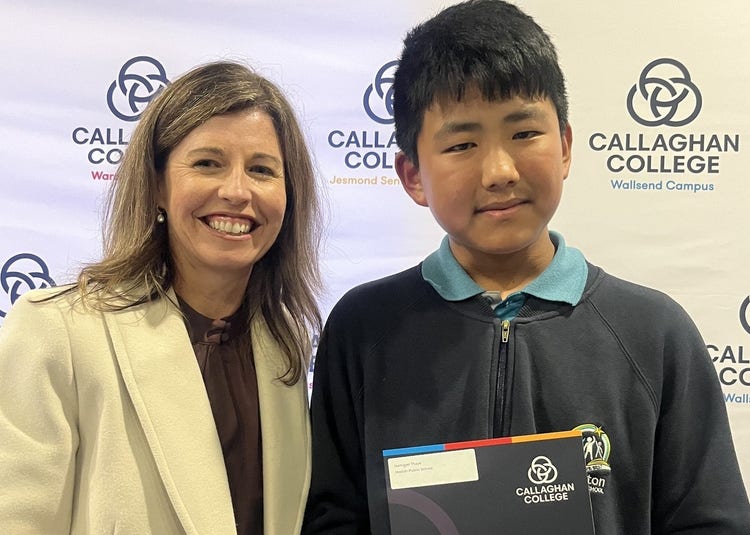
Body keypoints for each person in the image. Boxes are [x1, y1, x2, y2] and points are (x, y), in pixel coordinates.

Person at [303, 1, 750, 533]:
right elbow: (333, 515)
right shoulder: (364, 329)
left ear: (564, 146)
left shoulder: (654, 333)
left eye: (524, 134)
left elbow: (711, 520)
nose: (499, 171)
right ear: (412, 175)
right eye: (462, 144)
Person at [0, 61, 322, 534]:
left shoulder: (284, 339)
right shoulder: (57, 330)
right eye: (208, 163)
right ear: (157, 186)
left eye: (261, 170)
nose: (237, 191)